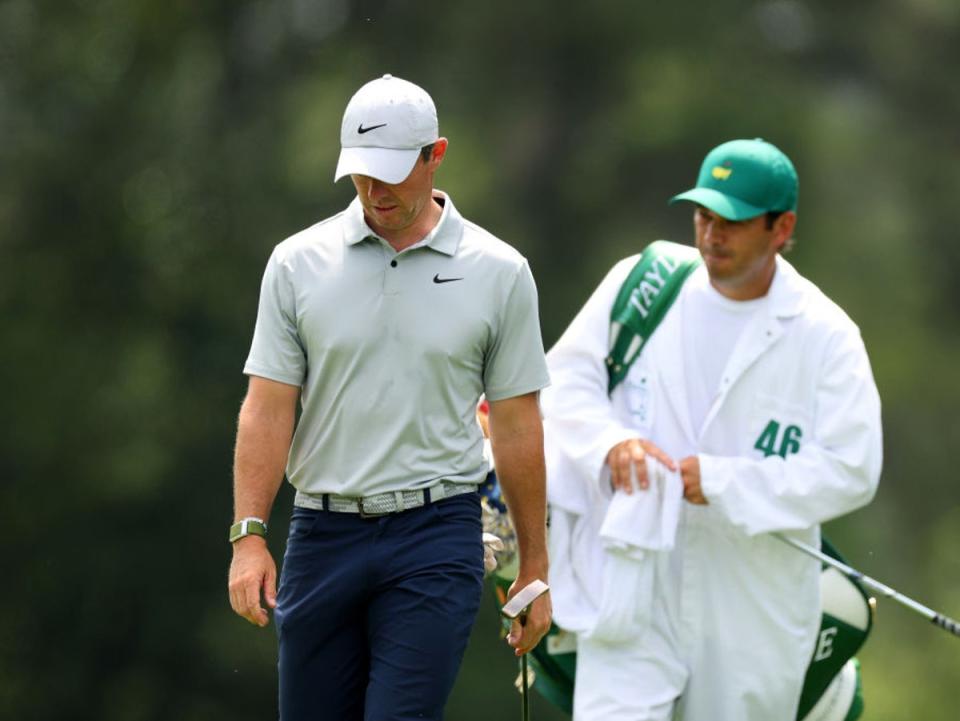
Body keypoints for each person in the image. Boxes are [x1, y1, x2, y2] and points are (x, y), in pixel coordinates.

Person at [227, 74, 552, 721]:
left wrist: (535, 568)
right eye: (361, 174)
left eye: (393, 172)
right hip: (322, 533)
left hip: (435, 535)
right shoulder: (297, 264)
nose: (375, 191)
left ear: (435, 155)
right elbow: (267, 406)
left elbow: (517, 423)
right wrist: (249, 536)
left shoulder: (499, 271)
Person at [541, 138, 882, 721]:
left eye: (734, 222)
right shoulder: (642, 284)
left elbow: (853, 470)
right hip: (631, 581)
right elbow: (563, 386)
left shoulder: (826, 334)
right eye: (703, 215)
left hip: (752, 607)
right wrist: (610, 445)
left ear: (782, 228)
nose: (711, 234)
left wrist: (725, 482)